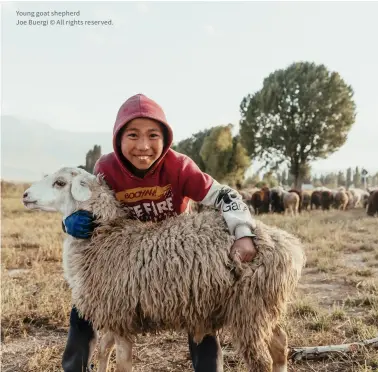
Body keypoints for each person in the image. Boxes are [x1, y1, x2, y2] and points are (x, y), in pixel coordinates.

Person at [61, 93, 257, 372]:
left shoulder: (179, 167)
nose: (143, 146)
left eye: (153, 135)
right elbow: (91, 209)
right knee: (87, 302)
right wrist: (69, 223)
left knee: (200, 304)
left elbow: (224, 195)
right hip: (129, 257)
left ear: (166, 138)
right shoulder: (105, 169)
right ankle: (75, 367)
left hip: (177, 252)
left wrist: (243, 231)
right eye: (132, 135)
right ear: (118, 138)